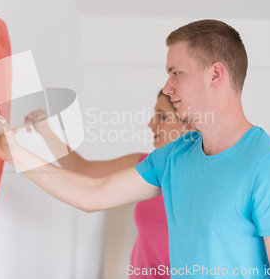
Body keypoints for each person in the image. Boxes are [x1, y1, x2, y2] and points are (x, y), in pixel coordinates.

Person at [0, 19, 270, 278]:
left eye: (176, 73)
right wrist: (13, 152)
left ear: (215, 75)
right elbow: (93, 193)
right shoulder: (175, 157)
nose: (168, 86)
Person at [24, 90, 193, 278]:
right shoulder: (146, 166)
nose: (151, 123)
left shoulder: (203, 183)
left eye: (162, 116)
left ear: (188, 126)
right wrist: (45, 131)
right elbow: (81, 169)